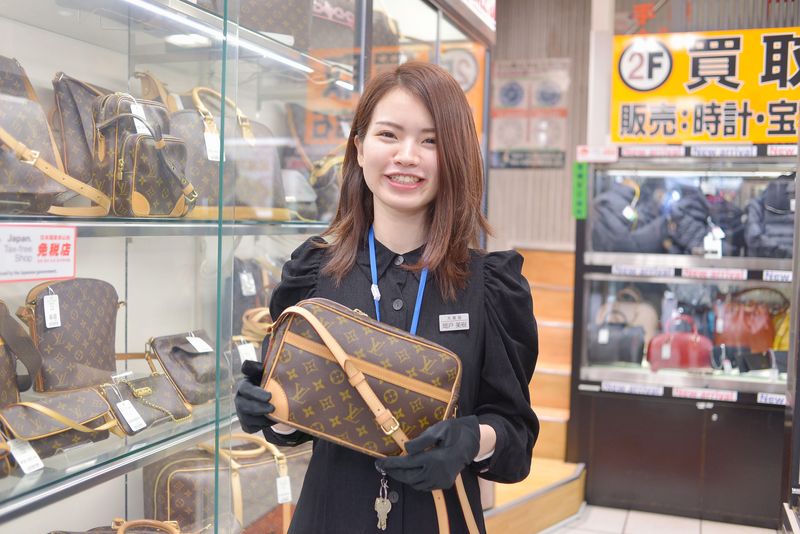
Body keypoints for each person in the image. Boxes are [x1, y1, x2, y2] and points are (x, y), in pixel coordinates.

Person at [235, 61, 539, 534]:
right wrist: (269, 411)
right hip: (330, 519)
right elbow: (295, 422)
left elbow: (515, 435)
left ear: (456, 156)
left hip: (439, 520)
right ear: (359, 148)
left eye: (430, 141)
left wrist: (470, 438)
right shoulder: (313, 275)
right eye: (388, 135)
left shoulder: (490, 287)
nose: (407, 156)